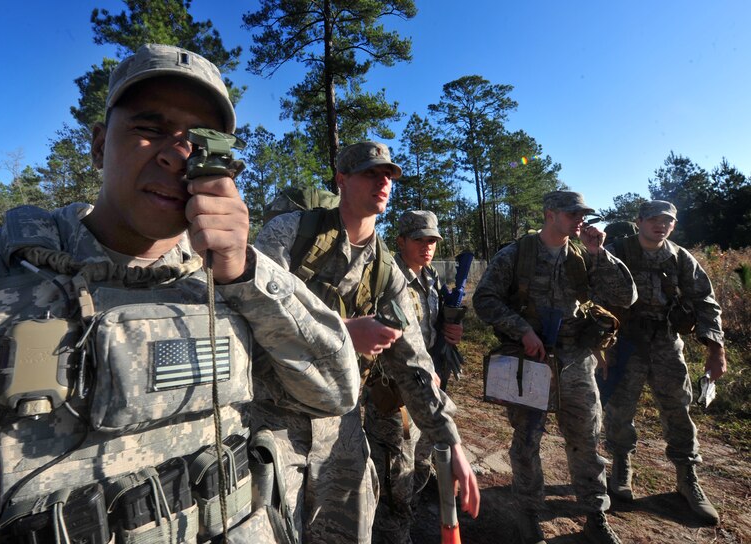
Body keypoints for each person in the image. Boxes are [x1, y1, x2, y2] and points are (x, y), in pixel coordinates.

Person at [0, 44, 359, 543]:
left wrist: (242, 270)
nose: (176, 155)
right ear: (99, 145)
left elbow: (335, 391)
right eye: (150, 129)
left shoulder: (239, 279)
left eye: (202, 142)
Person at [254, 142, 480, 544]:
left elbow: (413, 363)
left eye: (388, 175)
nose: (383, 182)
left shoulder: (386, 270)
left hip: (340, 425)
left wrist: (451, 440)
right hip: (273, 421)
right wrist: (342, 332)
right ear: (342, 180)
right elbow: (252, 313)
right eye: (370, 173)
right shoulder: (290, 232)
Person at [473, 190, 637, 544]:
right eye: (573, 213)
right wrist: (523, 329)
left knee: (587, 440)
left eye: (584, 214)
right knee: (528, 441)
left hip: (576, 360)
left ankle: (594, 515)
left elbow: (626, 297)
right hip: (530, 360)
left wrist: (600, 253)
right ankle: (529, 514)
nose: (581, 219)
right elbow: (484, 299)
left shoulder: (584, 255)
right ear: (550, 214)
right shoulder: (517, 254)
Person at [604, 200, 727, 525]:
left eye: (668, 221)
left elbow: (705, 300)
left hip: (665, 341)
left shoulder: (679, 257)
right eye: (654, 219)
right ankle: (620, 466)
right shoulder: (617, 251)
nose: (661, 225)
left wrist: (716, 349)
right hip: (625, 342)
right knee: (619, 407)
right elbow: (593, 289)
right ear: (640, 221)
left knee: (677, 407)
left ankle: (687, 477)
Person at [363, 209, 464, 542]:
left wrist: (449, 332)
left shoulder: (430, 278)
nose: (428, 246)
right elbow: (382, 344)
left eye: (432, 240)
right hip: (394, 398)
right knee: (395, 481)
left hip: (424, 391)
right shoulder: (385, 280)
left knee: (419, 469)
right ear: (401, 241)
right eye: (419, 239)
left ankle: (408, 525)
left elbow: (426, 332)